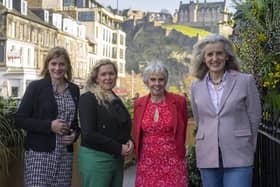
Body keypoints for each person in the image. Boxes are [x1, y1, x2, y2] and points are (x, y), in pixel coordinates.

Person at [190, 34, 262, 187]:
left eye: (219, 53)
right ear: (203, 58)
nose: (214, 58)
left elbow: (254, 116)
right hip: (208, 154)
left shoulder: (245, 80)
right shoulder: (195, 86)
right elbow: (199, 120)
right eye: (210, 54)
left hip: (239, 153)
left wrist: (249, 146)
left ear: (227, 56)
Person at [15, 47, 80, 186]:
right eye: (53, 64)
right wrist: (50, 126)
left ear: (67, 66)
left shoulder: (74, 89)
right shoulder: (35, 87)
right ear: (47, 65)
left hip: (64, 155)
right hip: (39, 155)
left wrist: (74, 135)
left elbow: (74, 123)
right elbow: (20, 119)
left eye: (62, 64)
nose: (57, 68)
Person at [78, 59, 134, 187]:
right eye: (103, 74)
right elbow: (88, 134)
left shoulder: (115, 99)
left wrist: (130, 141)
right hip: (96, 160)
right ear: (96, 78)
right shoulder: (88, 98)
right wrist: (119, 148)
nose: (108, 77)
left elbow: (121, 126)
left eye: (111, 73)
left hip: (116, 159)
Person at [134, 62, 189, 187]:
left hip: (173, 161)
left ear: (166, 81)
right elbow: (137, 132)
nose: (157, 84)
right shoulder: (139, 103)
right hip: (146, 162)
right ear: (147, 81)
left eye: (161, 79)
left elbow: (183, 128)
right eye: (153, 79)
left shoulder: (179, 101)